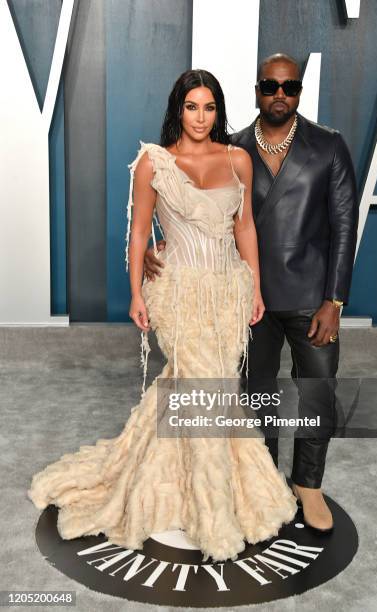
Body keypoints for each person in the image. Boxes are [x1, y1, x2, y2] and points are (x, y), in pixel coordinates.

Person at [27, 69, 297, 563]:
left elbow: (246, 228)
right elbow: (138, 233)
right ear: (178, 109)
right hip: (176, 292)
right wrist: (135, 294)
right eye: (191, 106)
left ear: (218, 111)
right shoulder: (154, 162)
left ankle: (164, 480)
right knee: (205, 385)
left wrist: (255, 287)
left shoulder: (237, 158)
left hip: (227, 291)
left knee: (205, 389)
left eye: (209, 107)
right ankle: (215, 517)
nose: (200, 117)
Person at [145, 55, 359, 534]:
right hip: (247, 296)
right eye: (270, 85)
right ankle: (259, 478)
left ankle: (308, 484)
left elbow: (345, 226)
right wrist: (161, 244)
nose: (279, 93)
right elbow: (212, 215)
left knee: (317, 391)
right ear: (257, 90)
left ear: (299, 91)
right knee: (253, 394)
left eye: (289, 86)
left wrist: (336, 299)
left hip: (311, 297)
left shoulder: (328, 146)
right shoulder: (231, 146)